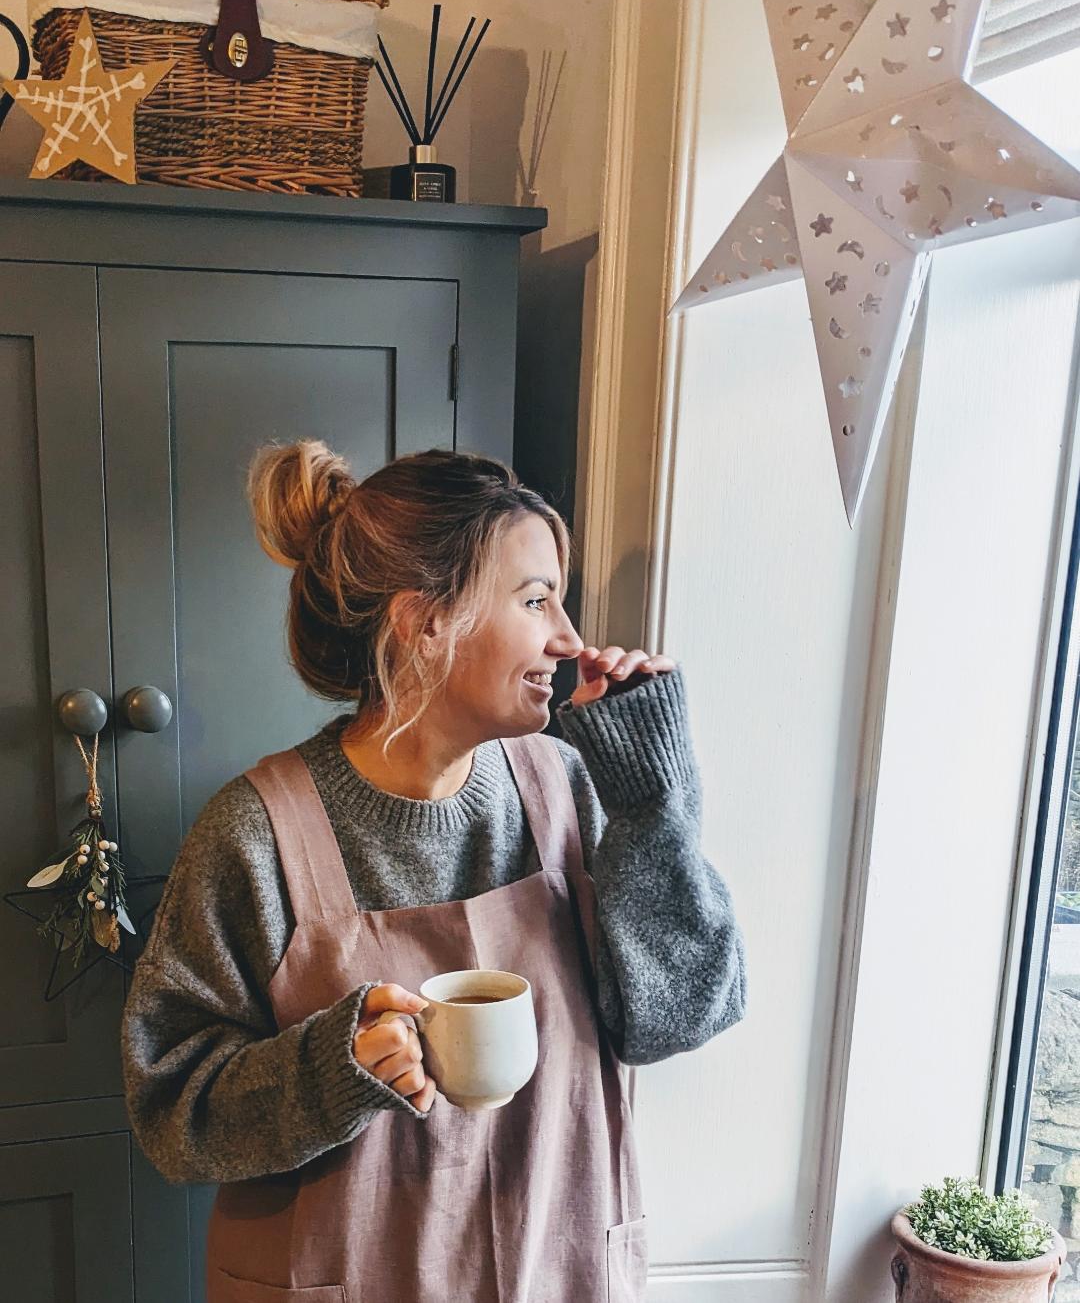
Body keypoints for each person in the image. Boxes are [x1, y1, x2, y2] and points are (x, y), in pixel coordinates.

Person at [122, 442, 748, 1303]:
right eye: (536, 600)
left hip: (553, 1266)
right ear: (425, 623)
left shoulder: (564, 787)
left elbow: (678, 1015)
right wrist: (328, 1072)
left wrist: (649, 796)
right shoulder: (256, 834)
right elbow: (171, 1108)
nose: (569, 639)